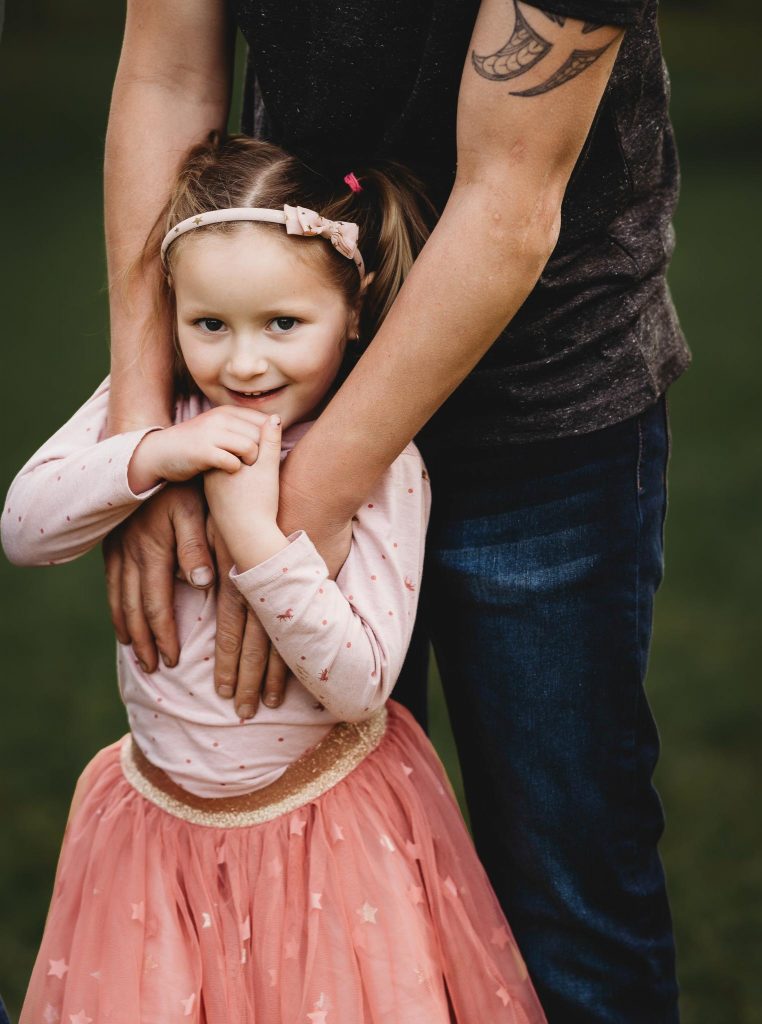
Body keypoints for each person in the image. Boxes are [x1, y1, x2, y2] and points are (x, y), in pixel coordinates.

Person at [103, 0, 688, 1019]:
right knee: (310, 890)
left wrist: (298, 510)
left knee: (571, 901)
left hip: (549, 389)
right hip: (283, 372)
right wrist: (142, 436)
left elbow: (508, 194)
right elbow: (166, 76)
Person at [3, 134, 548, 1024]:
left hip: (323, 840)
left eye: (283, 326)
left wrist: (256, 538)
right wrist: (146, 456)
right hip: (155, 834)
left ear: (355, 314)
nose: (243, 365)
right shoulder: (155, 412)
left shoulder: (382, 467)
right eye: (209, 325)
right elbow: (24, 530)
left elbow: (362, 681)